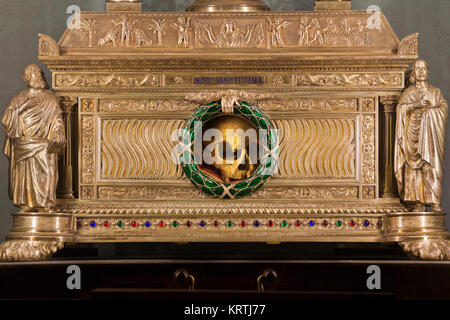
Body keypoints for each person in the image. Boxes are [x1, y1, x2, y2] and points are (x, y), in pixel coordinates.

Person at [2, 64, 65, 211]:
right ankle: (26, 203)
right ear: (27, 77)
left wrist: (58, 132)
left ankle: (46, 203)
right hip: (24, 141)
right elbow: (7, 119)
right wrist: (23, 107)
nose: (38, 75)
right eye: (33, 73)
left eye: (38, 73)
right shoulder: (19, 98)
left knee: (48, 158)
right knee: (25, 172)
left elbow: (57, 120)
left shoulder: (50, 99)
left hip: (44, 142)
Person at [395, 60, 448, 212]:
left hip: (430, 136)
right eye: (417, 69)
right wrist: (414, 105)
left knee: (430, 164)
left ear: (428, 71)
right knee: (413, 170)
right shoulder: (408, 93)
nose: (421, 71)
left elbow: (443, 108)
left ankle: (434, 201)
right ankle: (417, 202)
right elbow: (400, 109)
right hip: (411, 136)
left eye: (423, 68)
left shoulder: (435, 92)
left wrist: (430, 114)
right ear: (413, 72)